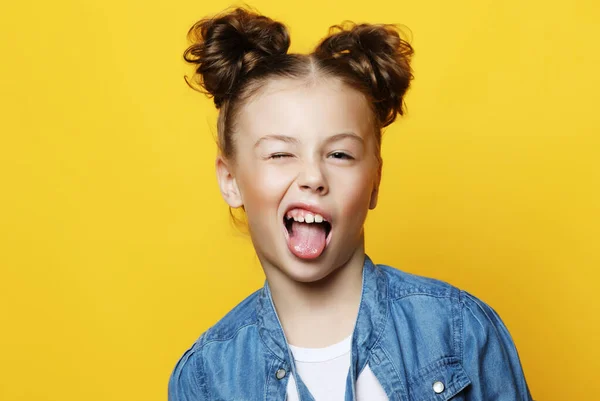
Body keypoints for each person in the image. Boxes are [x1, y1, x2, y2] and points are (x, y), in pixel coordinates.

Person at [168, 7, 533, 401]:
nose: (312, 177)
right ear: (231, 180)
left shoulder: (460, 331)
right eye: (279, 154)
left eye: (339, 155)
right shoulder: (207, 376)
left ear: (374, 181)